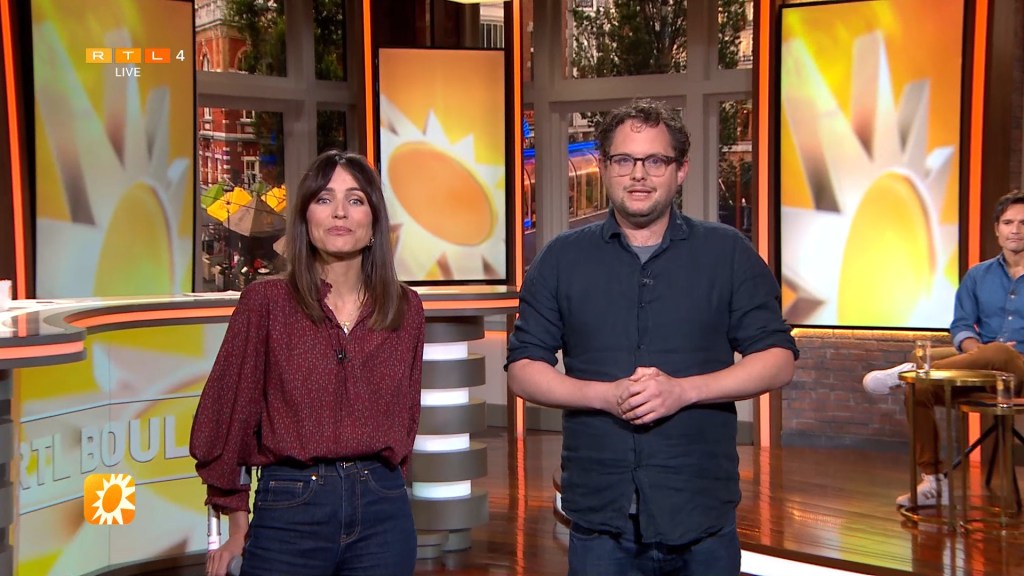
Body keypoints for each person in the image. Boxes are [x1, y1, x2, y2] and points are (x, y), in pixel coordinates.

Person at [505, 99, 798, 576]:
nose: (638, 174)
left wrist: (684, 391)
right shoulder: (560, 259)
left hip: (700, 512)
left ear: (680, 170)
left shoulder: (727, 253)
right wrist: (606, 396)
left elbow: (777, 358)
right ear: (605, 167)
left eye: (655, 160)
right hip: (600, 517)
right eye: (624, 160)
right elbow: (523, 369)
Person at [190, 150, 425, 576]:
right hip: (291, 507)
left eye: (355, 200)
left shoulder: (405, 309)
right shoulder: (266, 303)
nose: (340, 212)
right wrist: (237, 527)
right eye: (324, 199)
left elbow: (406, 417)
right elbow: (230, 415)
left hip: (383, 509)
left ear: (374, 221)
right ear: (305, 218)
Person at [863, 189, 1024, 508]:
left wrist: (992, 353)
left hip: (1019, 372)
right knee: (921, 372)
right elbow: (961, 325)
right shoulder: (978, 275)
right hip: (981, 368)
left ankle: (912, 373)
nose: (1015, 229)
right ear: (997, 228)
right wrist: (977, 351)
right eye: (1008, 222)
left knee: (1000, 353)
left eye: (1023, 223)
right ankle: (934, 480)